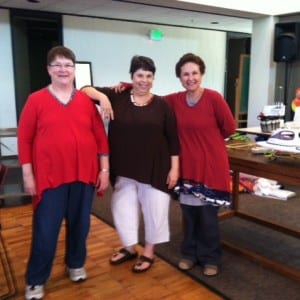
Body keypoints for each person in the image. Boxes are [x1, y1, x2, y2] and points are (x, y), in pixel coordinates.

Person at [101, 53, 236, 276]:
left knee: (208, 217)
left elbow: (229, 128)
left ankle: (211, 258)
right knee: (189, 215)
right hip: (187, 167)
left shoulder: (214, 98)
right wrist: (128, 86)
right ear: (179, 78)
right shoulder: (173, 100)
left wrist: (207, 142)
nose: (190, 78)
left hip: (211, 165)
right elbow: (150, 98)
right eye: (185, 74)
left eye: (194, 73)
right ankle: (189, 254)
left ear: (201, 74)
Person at [18, 46, 110, 300]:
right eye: (57, 65)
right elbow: (24, 139)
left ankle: (75, 263)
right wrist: (28, 174)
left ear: (73, 69)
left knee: (80, 227)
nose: (62, 69)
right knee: (46, 231)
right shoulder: (36, 100)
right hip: (50, 178)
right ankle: (36, 280)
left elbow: (100, 138)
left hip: (84, 174)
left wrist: (104, 169)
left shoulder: (85, 102)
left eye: (68, 65)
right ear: (48, 69)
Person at [81, 55, 180, 273]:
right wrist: (103, 98)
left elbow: (173, 140)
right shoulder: (118, 95)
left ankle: (148, 252)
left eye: (148, 76)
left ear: (153, 78)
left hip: (155, 168)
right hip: (124, 168)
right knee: (122, 209)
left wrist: (175, 169)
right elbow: (84, 89)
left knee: (155, 210)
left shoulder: (162, 105)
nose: (144, 80)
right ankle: (129, 248)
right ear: (131, 76)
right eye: (139, 75)